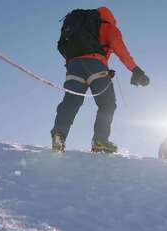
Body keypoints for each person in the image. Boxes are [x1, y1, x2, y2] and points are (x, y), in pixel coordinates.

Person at [51, 7, 150, 153]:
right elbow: (121, 51)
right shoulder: (108, 27)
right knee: (107, 104)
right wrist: (136, 71)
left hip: (73, 66)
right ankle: (100, 140)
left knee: (71, 101)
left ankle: (59, 134)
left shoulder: (79, 26)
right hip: (96, 66)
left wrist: (77, 62)